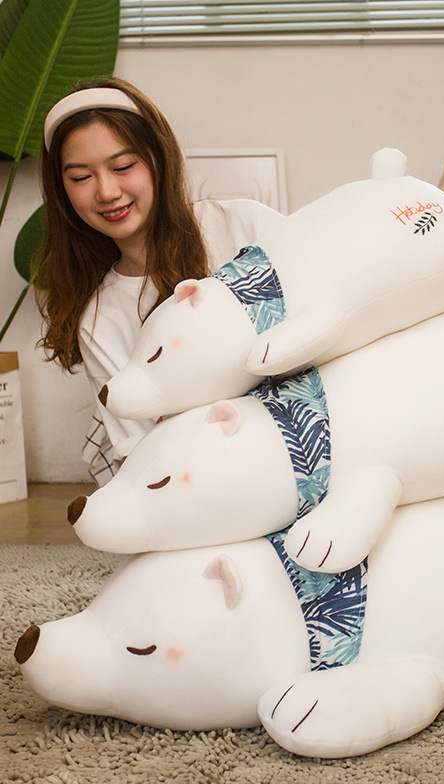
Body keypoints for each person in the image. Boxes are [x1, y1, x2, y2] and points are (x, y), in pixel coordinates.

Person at [35, 77, 279, 485]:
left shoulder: (242, 225)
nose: (107, 192)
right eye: (80, 177)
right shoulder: (98, 320)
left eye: (123, 167)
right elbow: (143, 453)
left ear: (158, 159)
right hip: (211, 485)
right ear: (62, 190)